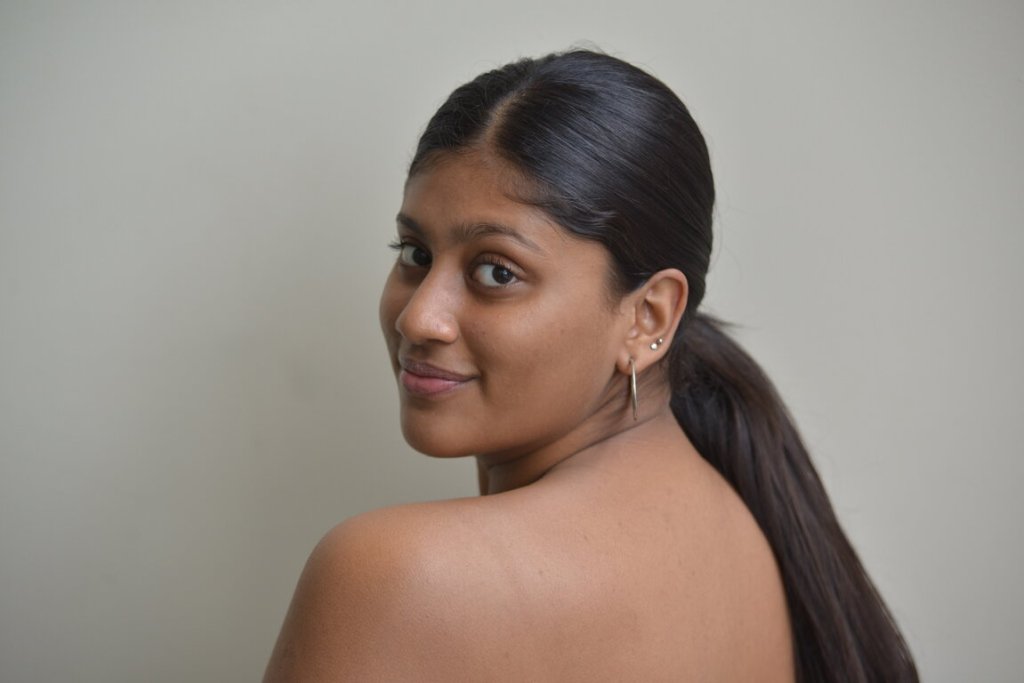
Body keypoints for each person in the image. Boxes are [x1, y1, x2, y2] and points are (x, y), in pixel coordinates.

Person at [263, 49, 918, 682]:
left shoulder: (396, 577)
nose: (418, 318)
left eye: (497, 272)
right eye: (415, 253)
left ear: (648, 318)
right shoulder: (746, 531)